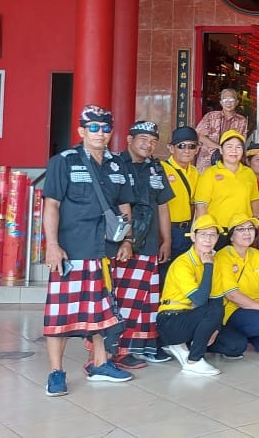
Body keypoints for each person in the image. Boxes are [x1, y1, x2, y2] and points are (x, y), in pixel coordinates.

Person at [42, 105, 136, 396]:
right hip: (71, 251)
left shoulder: (117, 164)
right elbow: (52, 205)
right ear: (82, 131)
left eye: (106, 128)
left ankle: (99, 364)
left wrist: (127, 240)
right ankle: (56, 373)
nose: (100, 133)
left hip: (103, 251)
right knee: (60, 315)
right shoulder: (64, 162)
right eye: (93, 127)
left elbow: (124, 206)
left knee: (101, 311)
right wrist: (53, 245)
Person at [109, 120, 174, 368]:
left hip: (149, 243)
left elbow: (163, 206)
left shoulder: (156, 169)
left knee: (147, 299)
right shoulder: (114, 166)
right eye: (143, 139)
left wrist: (166, 239)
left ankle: (144, 346)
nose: (149, 144)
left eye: (153, 140)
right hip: (123, 245)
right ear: (129, 139)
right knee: (124, 298)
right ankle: (117, 349)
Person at [157, 213, 231, 376]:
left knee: (235, 346)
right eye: (203, 234)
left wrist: (215, 328)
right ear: (193, 237)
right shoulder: (182, 263)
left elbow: (217, 299)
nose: (208, 239)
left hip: (192, 316)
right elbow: (200, 299)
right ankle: (193, 361)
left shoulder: (214, 260)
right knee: (213, 310)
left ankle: (184, 345)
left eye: (212, 235)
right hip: (171, 319)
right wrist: (208, 267)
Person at [212, 214, 259, 356]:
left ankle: (248, 335)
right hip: (232, 309)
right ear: (231, 236)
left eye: (250, 228)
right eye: (241, 229)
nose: (247, 232)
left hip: (256, 310)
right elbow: (232, 295)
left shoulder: (257, 255)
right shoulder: (223, 256)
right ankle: (230, 335)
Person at [193, 130, 259, 236]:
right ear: (221, 150)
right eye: (229, 146)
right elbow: (201, 206)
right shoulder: (209, 174)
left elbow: (255, 199)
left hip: (243, 230)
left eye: (238, 147)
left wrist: (256, 218)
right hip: (217, 230)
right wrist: (206, 230)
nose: (234, 150)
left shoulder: (249, 173)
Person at [160, 126, 200, 283]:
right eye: (181, 146)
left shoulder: (195, 172)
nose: (187, 150)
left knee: (186, 275)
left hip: (189, 231)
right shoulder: (161, 169)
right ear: (171, 148)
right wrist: (164, 239)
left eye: (192, 146)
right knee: (166, 274)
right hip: (168, 231)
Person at [195, 88, 248, 171]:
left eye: (231, 99)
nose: (228, 103)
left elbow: (241, 141)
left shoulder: (242, 121)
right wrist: (219, 147)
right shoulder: (210, 116)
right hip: (206, 161)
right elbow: (199, 136)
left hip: (230, 161)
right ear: (221, 102)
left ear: (237, 102)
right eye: (225, 100)